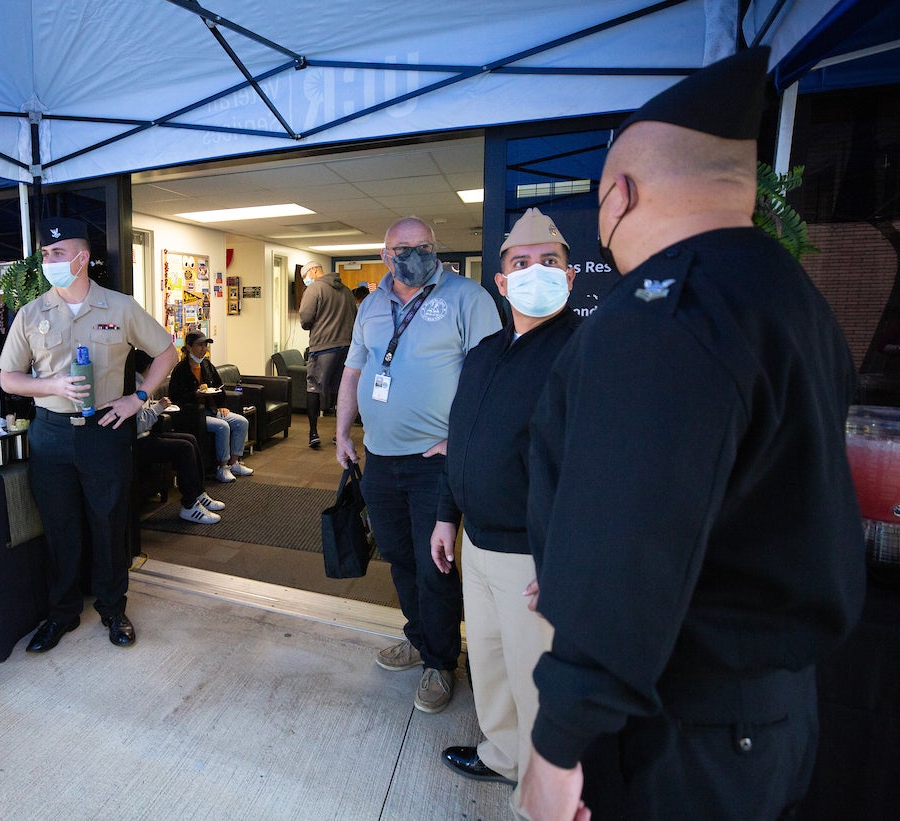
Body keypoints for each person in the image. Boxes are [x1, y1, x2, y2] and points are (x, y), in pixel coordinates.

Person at [519, 48, 865, 820]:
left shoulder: (662, 312)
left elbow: (631, 538)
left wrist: (556, 744)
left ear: (621, 195)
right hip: (768, 716)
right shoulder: (792, 298)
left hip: (680, 731)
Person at [431, 208, 577, 813]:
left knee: (533, 675)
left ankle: (546, 790)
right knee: (488, 660)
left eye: (549, 263)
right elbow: (458, 435)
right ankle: (501, 753)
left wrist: (562, 560)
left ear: (570, 278)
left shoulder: (582, 353)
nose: (535, 272)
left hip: (532, 556)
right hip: (478, 542)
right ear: (500, 280)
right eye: (521, 264)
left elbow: (590, 472)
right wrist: (446, 514)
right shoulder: (486, 352)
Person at [335, 216, 502, 714]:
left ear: (436, 248)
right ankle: (419, 636)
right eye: (404, 248)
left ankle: (440, 661)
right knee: (399, 558)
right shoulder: (371, 303)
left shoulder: (467, 298)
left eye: (425, 245)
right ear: (385, 254)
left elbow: (491, 376)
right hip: (381, 460)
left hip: (436, 462)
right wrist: (344, 431)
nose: (415, 254)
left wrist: (459, 439)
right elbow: (354, 370)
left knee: (436, 566)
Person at [0, 216, 175, 653]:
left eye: (57, 254)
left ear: (83, 257)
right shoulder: (31, 312)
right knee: (60, 528)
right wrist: (52, 386)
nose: (49, 261)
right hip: (52, 434)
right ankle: (62, 615)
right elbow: (9, 378)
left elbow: (166, 352)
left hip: (105, 430)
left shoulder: (120, 307)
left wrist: (137, 398)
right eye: (45, 255)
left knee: (109, 523)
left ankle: (114, 610)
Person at [132, 350, 226, 525]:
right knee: (184, 448)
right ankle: (189, 506)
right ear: (148, 367)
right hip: (136, 442)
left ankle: (198, 493)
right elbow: (138, 424)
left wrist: (155, 408)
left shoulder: (143, 383)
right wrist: (158, 408)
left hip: (145, 435)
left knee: (190, 439)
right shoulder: (136, 387)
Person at [168, 332, 254, 484]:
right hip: (194, 414)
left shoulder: (207, 365)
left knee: (241, 422)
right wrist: (195, 394)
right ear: (189, 347)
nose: (204, 348)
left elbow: (219, 387)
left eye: (205, 345)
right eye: (200, 345)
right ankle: (222, 468)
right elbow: (175, 396)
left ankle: (234, 463)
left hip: (212, 409)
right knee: (222, 426)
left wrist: (222, 405)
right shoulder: (181, 370)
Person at [298, 260, 357, 449]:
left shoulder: (315, 289)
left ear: (314, 270)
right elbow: (355, 318)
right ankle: (340, 433)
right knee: (342, 391)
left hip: (323, 346)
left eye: (305, 276)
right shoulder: (347, 291)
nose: (305, 280)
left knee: (313, 387)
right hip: (347, 348)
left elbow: (306, 319)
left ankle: (313, 432)